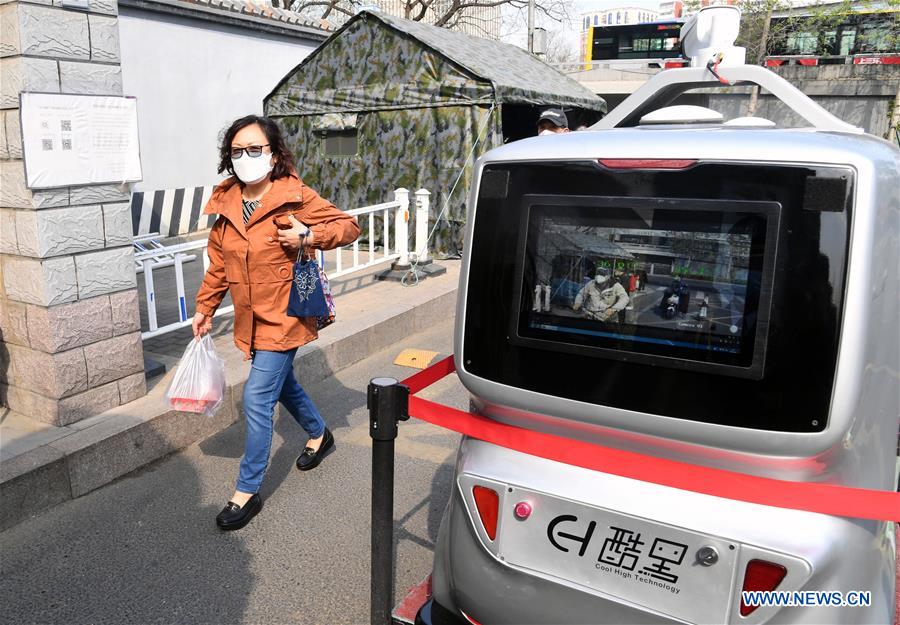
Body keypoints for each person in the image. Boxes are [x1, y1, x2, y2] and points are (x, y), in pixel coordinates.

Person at [192, 115, 360, 531]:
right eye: (237, 151)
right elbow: (218, 266)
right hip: (251, 320)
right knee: (282, 384)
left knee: (256, 399)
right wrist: (205, 308)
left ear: (273, 153)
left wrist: (308, 236)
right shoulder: (226, 204)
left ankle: (246, 492)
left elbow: (348, 225)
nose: (246, 157)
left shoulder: (294, 195)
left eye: (255, 149)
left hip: (286, 316)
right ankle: (321, 434)